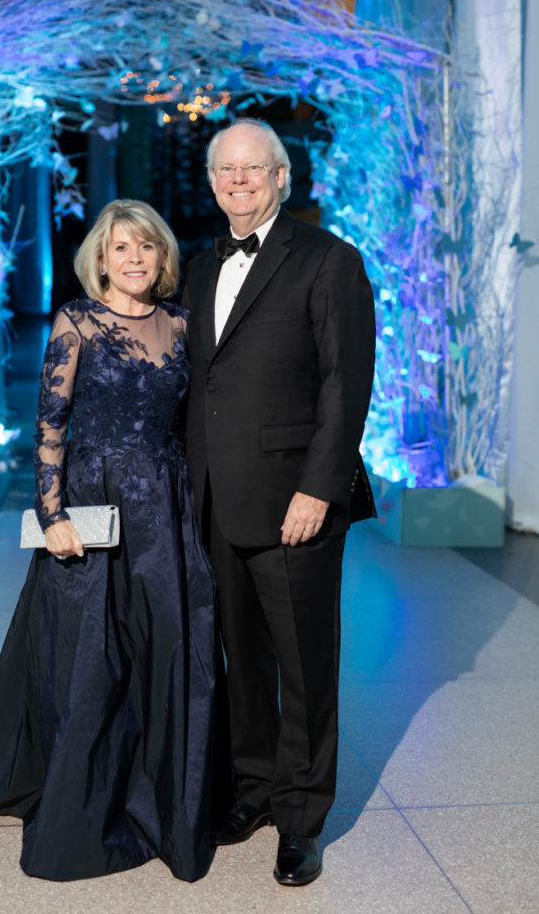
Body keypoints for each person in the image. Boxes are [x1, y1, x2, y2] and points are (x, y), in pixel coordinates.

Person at [0, 200, 218, 883]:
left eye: (147, 248)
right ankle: (83, 808)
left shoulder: (183, 325)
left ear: (162, 258)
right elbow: (50, 425)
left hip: (165, 501)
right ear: (100, 258)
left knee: (168, 650)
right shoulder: (76, 321)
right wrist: (51, 514)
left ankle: (164, 802)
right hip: (93, 502)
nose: (134, 259)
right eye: (121, 248)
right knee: (90, 657)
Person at [183, 119, 376, 887]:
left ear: (281, 177)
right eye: (225, 170)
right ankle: (255, 790)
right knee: (242, 660)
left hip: (296, 501)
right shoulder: (199, 270)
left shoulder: (329, 260)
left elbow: (345, 385)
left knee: (303, 666)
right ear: (212, 180)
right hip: (216, 500)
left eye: (252, 169)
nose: (238, 180)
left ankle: (300, 820)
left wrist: (318, 488)